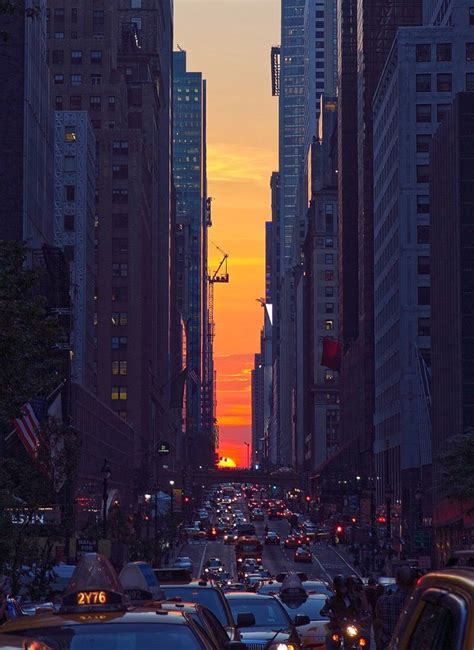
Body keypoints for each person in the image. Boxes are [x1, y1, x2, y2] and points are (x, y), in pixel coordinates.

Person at [375, 565, 417, 649]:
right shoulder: (417, 603)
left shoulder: (383, 601)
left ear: (397, 581)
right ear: (414, 581)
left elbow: (378, 624)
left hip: (388, 645)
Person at [321, 575, 361, 649]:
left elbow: (358, 610)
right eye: (341, 588)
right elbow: (325, 609)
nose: (343, 589)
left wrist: (362, 614)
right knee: (330, 636)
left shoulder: (352, 599)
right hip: (337, 626)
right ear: (337, 588)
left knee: (364, 636)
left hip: (351, 625)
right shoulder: (332, 600)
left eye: (345, 587)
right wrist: (326, 612)